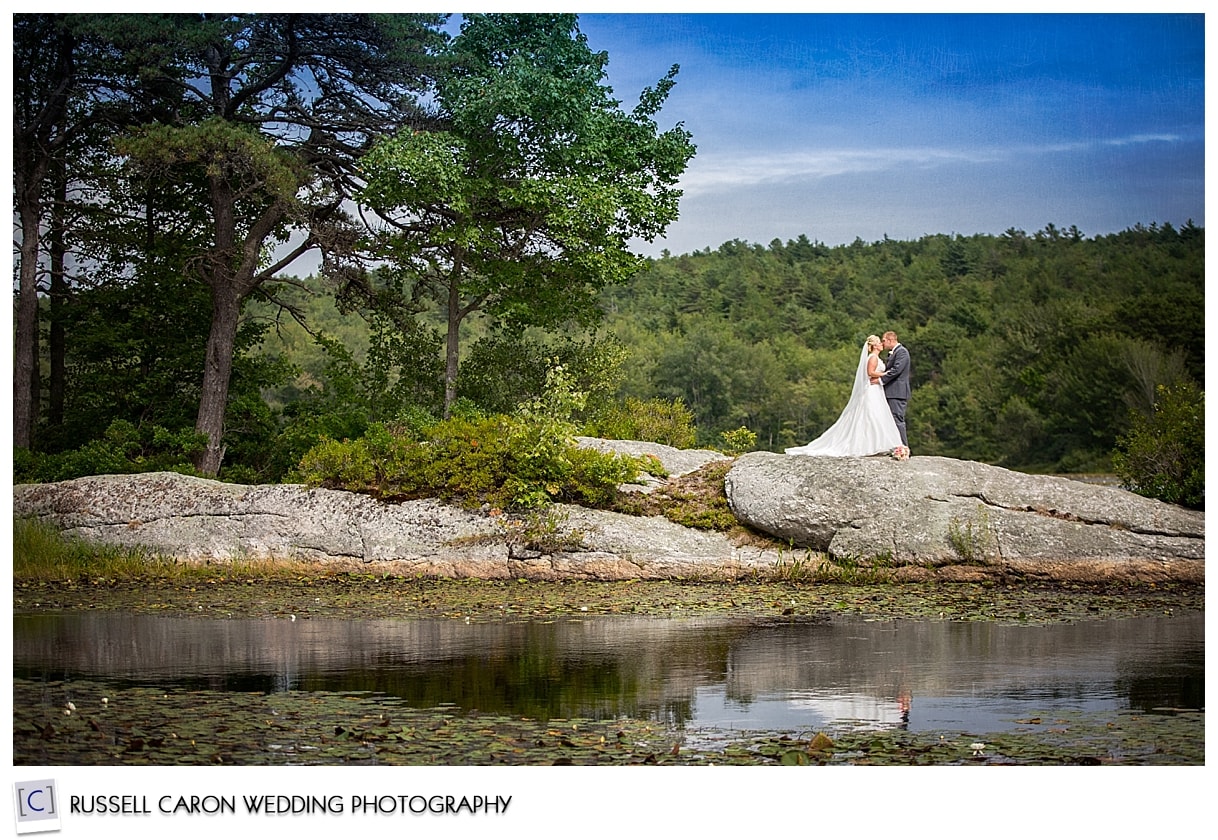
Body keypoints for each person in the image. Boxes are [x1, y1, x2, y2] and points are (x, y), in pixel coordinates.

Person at [786, 335, 903, 457]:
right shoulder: (873, 358)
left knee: (876, 415)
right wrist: (885, 374)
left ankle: (877, 444)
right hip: (872, 389)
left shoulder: (876, 357)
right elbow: (870, 372)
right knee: (871, 415)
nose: (881, 344)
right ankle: (869, 445)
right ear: (874, 346)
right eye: (879, 343)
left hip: (877, 389)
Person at [877, 330, 910, 447]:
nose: (882, 343)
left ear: (890, 340)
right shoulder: (894, 353)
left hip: (897, 392)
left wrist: (881, 380)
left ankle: (903, 447)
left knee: (897, 419)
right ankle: (894, 446)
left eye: (884, 340)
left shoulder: (902, 352)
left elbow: (896, 370)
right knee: (891, 420)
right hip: (892, 392)